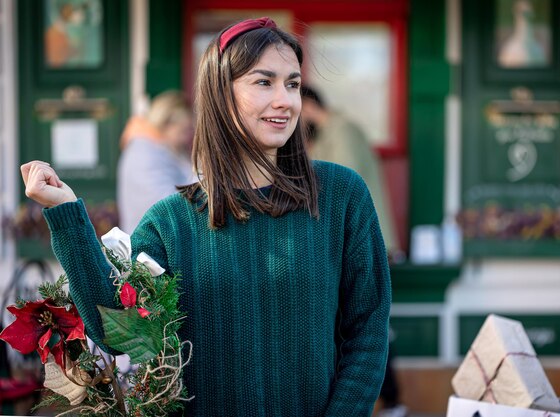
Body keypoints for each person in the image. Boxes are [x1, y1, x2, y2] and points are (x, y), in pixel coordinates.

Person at [20, 17, 391, 417]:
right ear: (221, 95)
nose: (286, 99)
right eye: (264, 82)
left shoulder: (341, 196)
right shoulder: (171, 223)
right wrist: (66, 213)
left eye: (293, 83)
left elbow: (368, 331)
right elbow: (124, 337)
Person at [301, 86, 408, 417]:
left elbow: (339, 188)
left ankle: (391, 400)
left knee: (365, 321)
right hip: (350, 239)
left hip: (358, 239)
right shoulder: (332, 131)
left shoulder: (342, 130)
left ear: (307, 103)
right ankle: (390, 400)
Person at [300, 85, 401, 259]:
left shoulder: (343, 130)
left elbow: (340, 181)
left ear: (308, 106)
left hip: (363, 237)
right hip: (352, 236)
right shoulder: (324, 135)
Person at [117, 90, 196, 232]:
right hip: (148, 246)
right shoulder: (143, 153)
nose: (187, 137)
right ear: (165, 123)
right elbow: (165, 205)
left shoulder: (165, 149)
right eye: (183, 131)